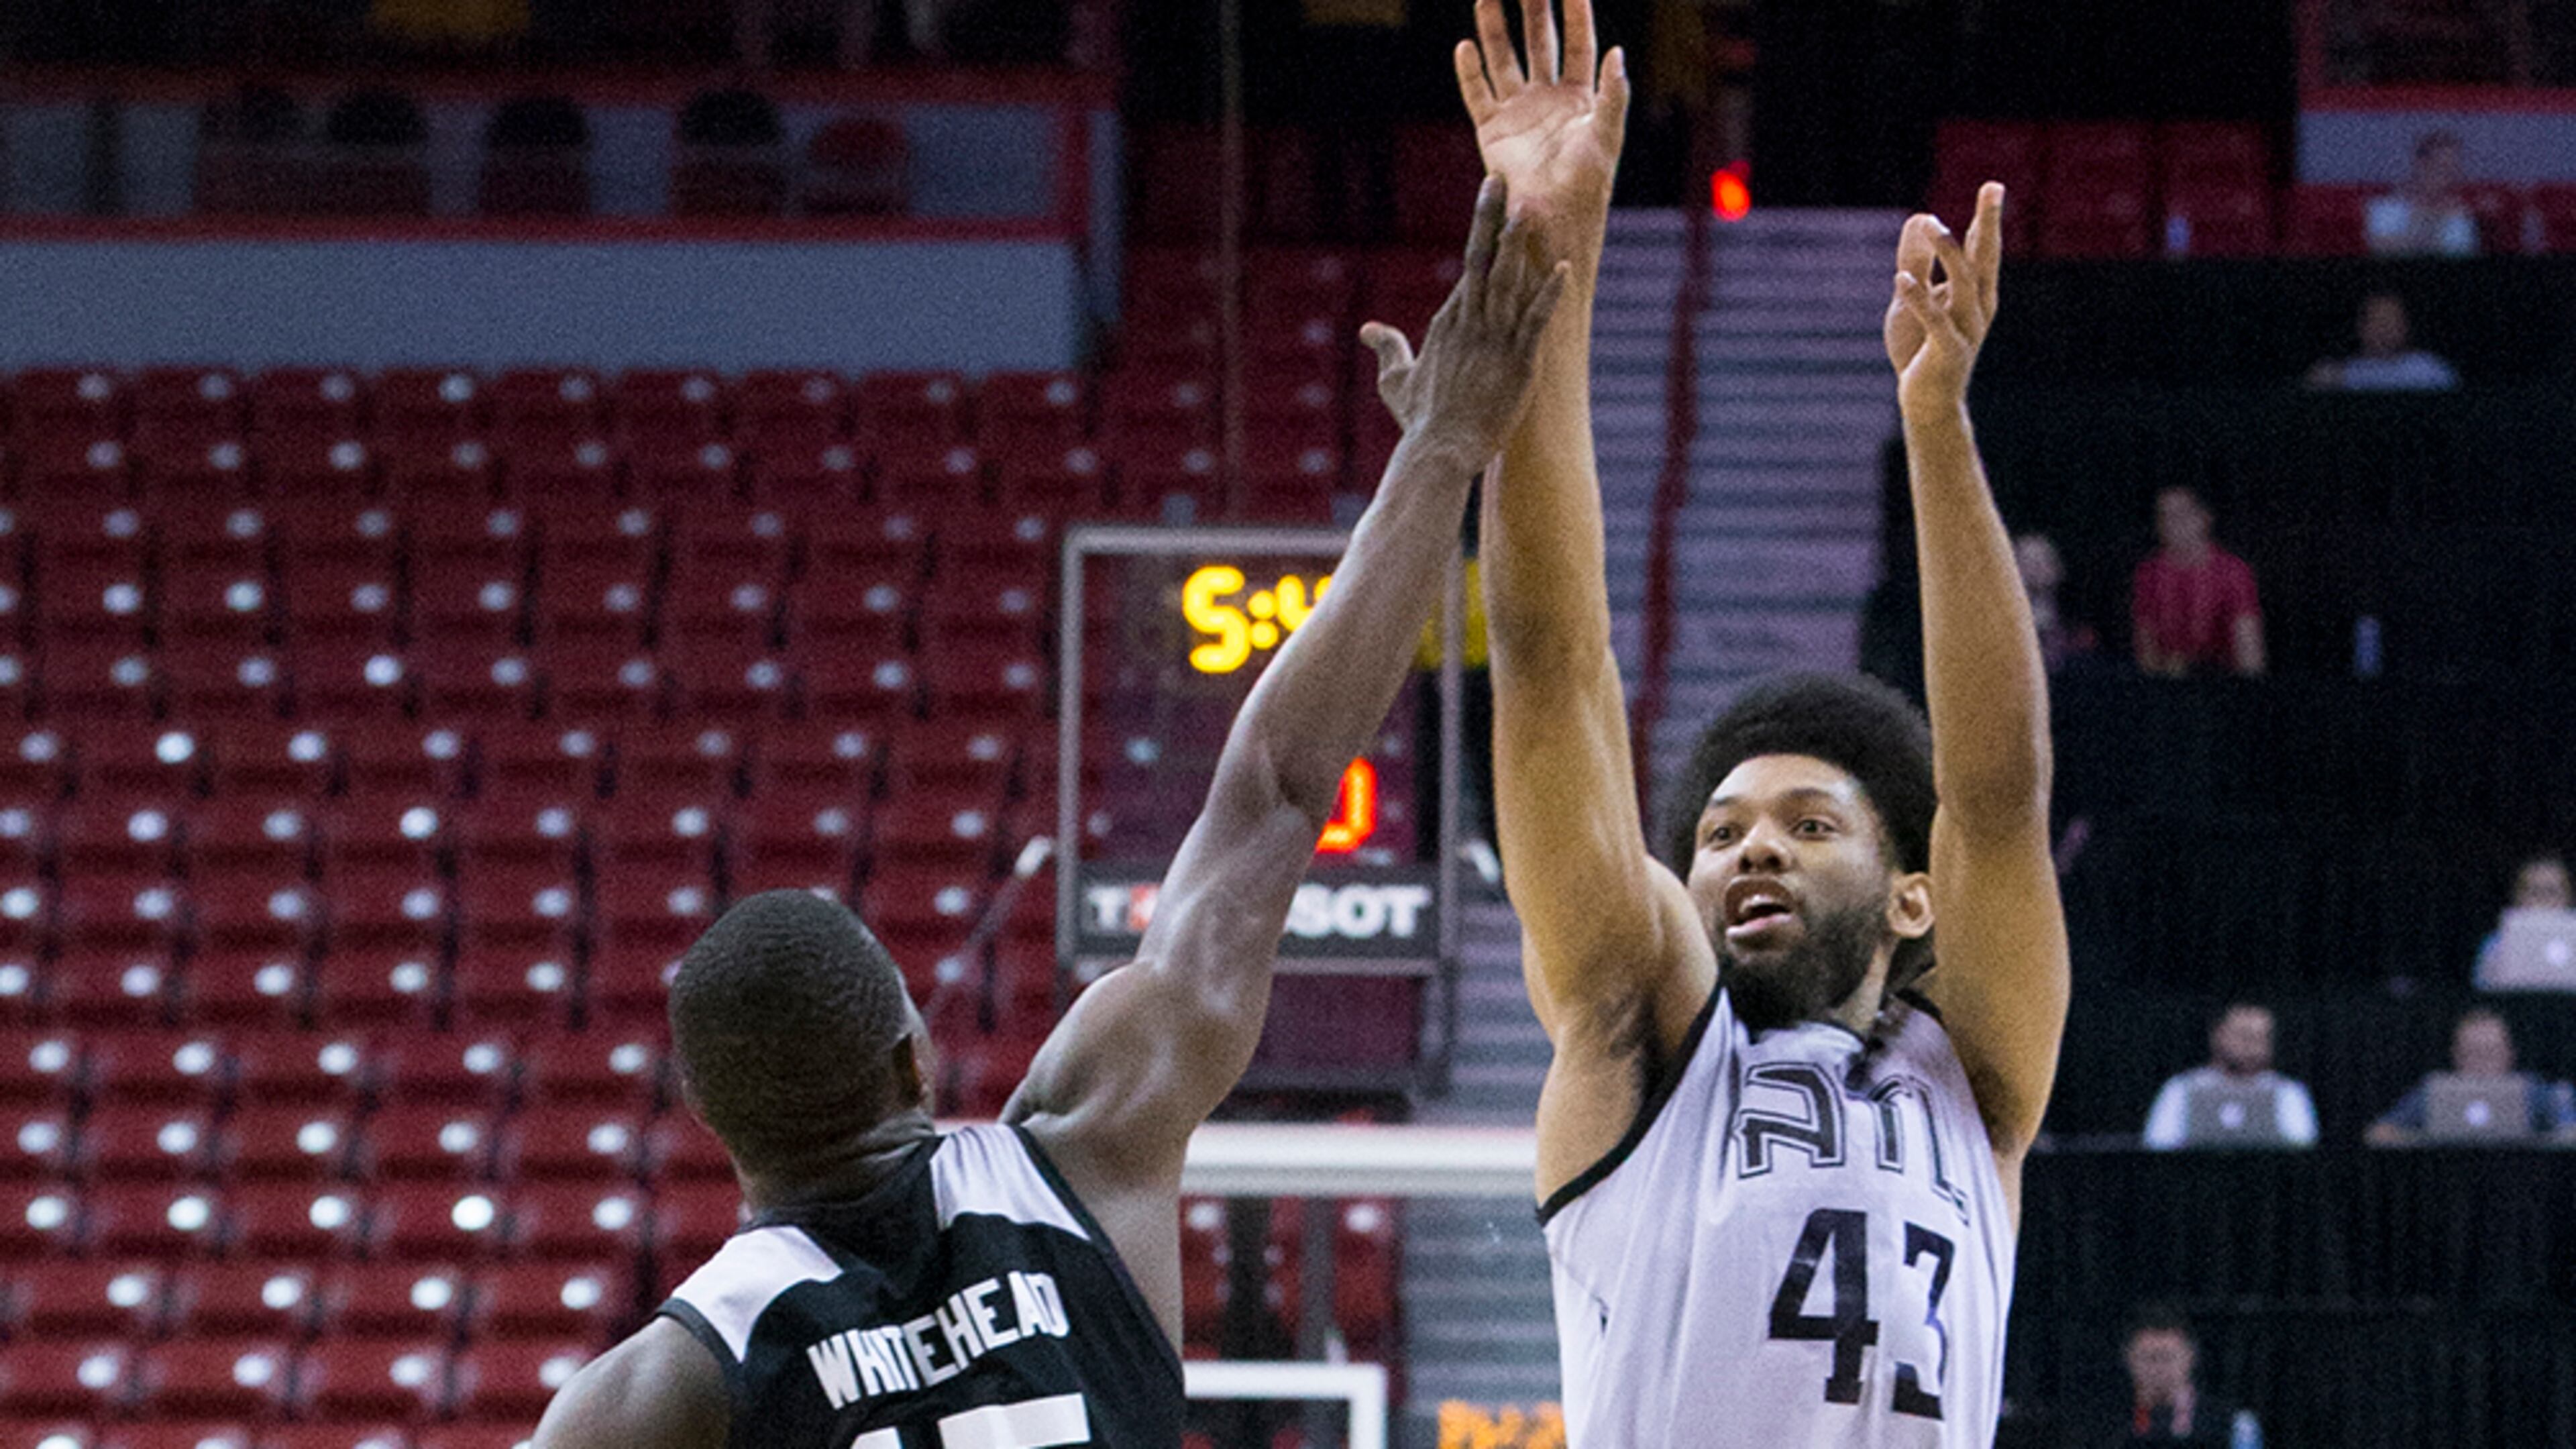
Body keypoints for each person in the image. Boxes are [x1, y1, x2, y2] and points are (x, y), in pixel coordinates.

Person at [527, 179, 1570, 1448]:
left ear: (709, 1122)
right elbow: (1281, 788)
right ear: (913, 1057)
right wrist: (1443, 450)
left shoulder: (658, 1391)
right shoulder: (1084, 1150)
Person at [1454, 0, 2069, 1439]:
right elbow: (1550, 666)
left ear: (1916, 896)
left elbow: (1998, 791)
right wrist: (1556, 252)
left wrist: (1937, 424)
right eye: (1722, 832)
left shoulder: (1973, 1075)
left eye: (1807, 823)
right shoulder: (1646, 1033)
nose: (1751, 853)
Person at [2365, 1006, 2576, 1145]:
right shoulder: (2433, 1093)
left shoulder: (2531, 1090)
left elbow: (2571, 1132)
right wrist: (2428, 1139)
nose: (2482, 1063)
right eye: (2473, 1053)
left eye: (2491, 1052)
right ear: (2456, 1056)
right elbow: (2378, 1133)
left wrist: (2533, 1141)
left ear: (2509, 1055)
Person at [2140, 1003, 2318, 1149]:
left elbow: (2302, 1151)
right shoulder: (2181, 1089)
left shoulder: (2288, 1093)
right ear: (2217, 1035)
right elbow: (2158, 1149)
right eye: (2245, 1036)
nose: (2253, 1047)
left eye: (2262, 1038)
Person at [2131, 486, 2264, 678]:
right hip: (2166, 688)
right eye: (2164, 516)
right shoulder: (2148, 574)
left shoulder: (2232, 571)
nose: (2172, 524)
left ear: (2205, 518)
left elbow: (2249, 650)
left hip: (2223, 687)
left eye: (2181, 514)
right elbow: (2146, 649)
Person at [2106, 1303, 2257, 1448]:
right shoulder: (2107, 1423)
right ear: (2129, 1360)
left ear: (2190, 1358)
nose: (2158, 1368)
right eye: (2148, 1358)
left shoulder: (2233, 1424)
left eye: (2168, 1357)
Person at [2304, 292, 2459, 392]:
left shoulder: (2432, 372)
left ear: (2405, 327)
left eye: (2392, 322)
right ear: (2361, 327)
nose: (2384, 330)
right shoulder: (2337, 376)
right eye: (2378, 322)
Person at [2365, 130, 2479, 258]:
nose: (2448, 176)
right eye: (2441, 167)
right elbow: (2386, 252)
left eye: (2453, 168)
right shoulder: (2386, 208)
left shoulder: (2460, 215)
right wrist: (2437, 218)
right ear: (2421, 165)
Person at [2473, 853, 2574, 987]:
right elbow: (2483, 995)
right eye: (2534, 892)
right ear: (2517, 896)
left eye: (2552, 891)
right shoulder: (2496, 945)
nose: (2543, 900)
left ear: (2569, 897)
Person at [2015, 533, 2098, 672]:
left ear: (2058, 567)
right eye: (2028, 561)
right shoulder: (2005, 623)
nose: (2037, 568)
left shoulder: (2076, 621)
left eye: (2044, 560)